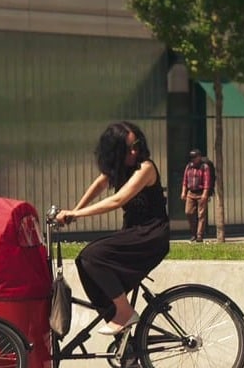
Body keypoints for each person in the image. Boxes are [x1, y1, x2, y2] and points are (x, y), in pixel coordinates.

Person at [56, 121, 170, 350]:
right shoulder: (120, 169)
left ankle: (125, 312)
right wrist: (74, 212)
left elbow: (117, 200)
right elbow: (99, 184)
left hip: (151, 234)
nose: (134, 152)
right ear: (115, 152)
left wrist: (76, 213)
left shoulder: (145, 168)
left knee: (93, 256)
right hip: (134, 233)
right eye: (128, 149)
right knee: (85, 265)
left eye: (136, 145)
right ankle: (126, 349)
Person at [180, 148, 213, 243]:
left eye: (194, 157)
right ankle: (193, 232)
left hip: (201, 192)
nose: (193, 159)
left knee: (201, 214)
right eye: (191, 157)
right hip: (191, 192)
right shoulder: (189, 166)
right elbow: (185, 180)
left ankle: (199, 235)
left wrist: (205, 194)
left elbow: (207, 181)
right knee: (188, 212)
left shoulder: (204, 166)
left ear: (199, 157)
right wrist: (183, 192)